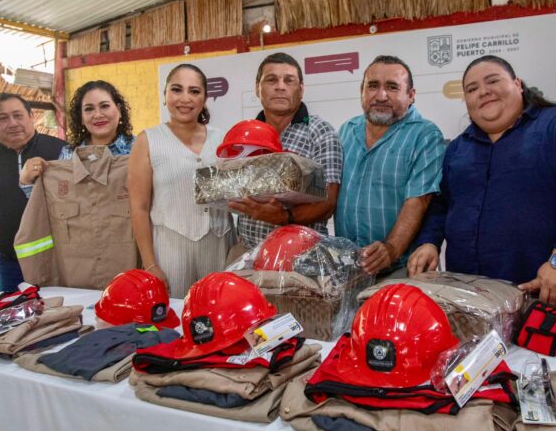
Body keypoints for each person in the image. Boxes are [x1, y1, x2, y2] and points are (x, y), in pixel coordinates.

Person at [408, 55, 556, 309]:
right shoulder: (457, 148)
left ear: (518, 84)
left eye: (493, 81)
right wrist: (429, 242)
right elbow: (442, 204)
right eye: (472, 89)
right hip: (480, 300)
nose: (483, 92)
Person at [128, 64, 236, 299]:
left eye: (194, 91)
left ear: (205, 98)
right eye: (177, 90)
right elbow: (139, 207)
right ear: (165, 95)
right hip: (169, 251)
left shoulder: (224, 138)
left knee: (218, 313)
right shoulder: (149, 140)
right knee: (174, 319)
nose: (185, 98)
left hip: (219, 246)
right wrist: (150, 265)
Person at [335, 55, 445, 276]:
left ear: (411, 95)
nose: (381, 96)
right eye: (373, 86)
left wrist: (391, 249)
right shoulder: (346, 130)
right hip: (349, 271)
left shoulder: (425, 135)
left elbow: (419, 200)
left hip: (402, 269)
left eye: (392, 87)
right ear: (362, 91)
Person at [229, 52, 342, 251]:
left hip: (300, 256)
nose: (280, 86)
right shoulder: (244, 135)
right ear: (257, 89)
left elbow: (328, 203)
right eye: (271, 80)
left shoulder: (320, 132)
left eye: (289, 80)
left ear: (301, 89)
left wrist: (283, 217)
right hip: (246, 252)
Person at [0, 93, 66, 292]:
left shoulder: (61, 151)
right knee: (13, 318)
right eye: (3, 118)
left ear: (31, 116)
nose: (13, 123)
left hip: (58, 259)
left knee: (63, 315)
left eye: (18, 115)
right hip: (9, 264)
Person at [18, 80, 135, 187]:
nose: (98, 115)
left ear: (119, 110)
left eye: (104, 106)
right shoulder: (69, 154)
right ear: (81, 118)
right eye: (89, 109)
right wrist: (26, 181)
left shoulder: (139, 148)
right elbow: (56, 198)